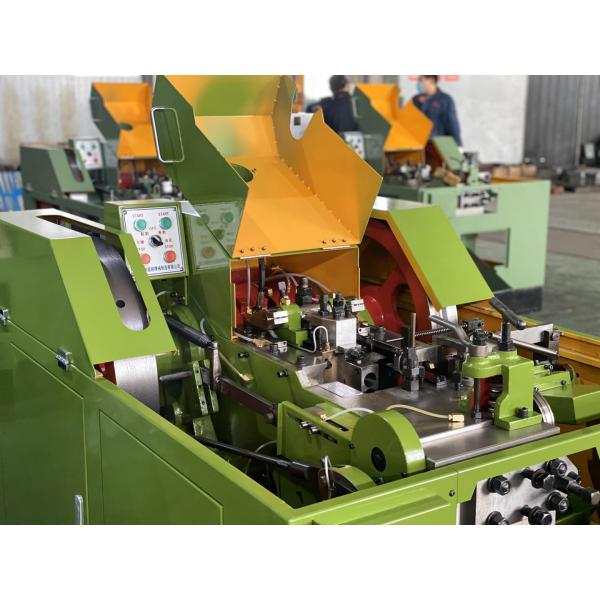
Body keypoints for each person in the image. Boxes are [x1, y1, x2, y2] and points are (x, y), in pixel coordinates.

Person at [412, 75, 462, 146]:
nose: (418, 83)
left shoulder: (445, 100)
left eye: (421, 80)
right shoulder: (416, 100)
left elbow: (452, 125)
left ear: (431, 80)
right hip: (418, 145)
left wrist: (458, 145)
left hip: (438, 145)